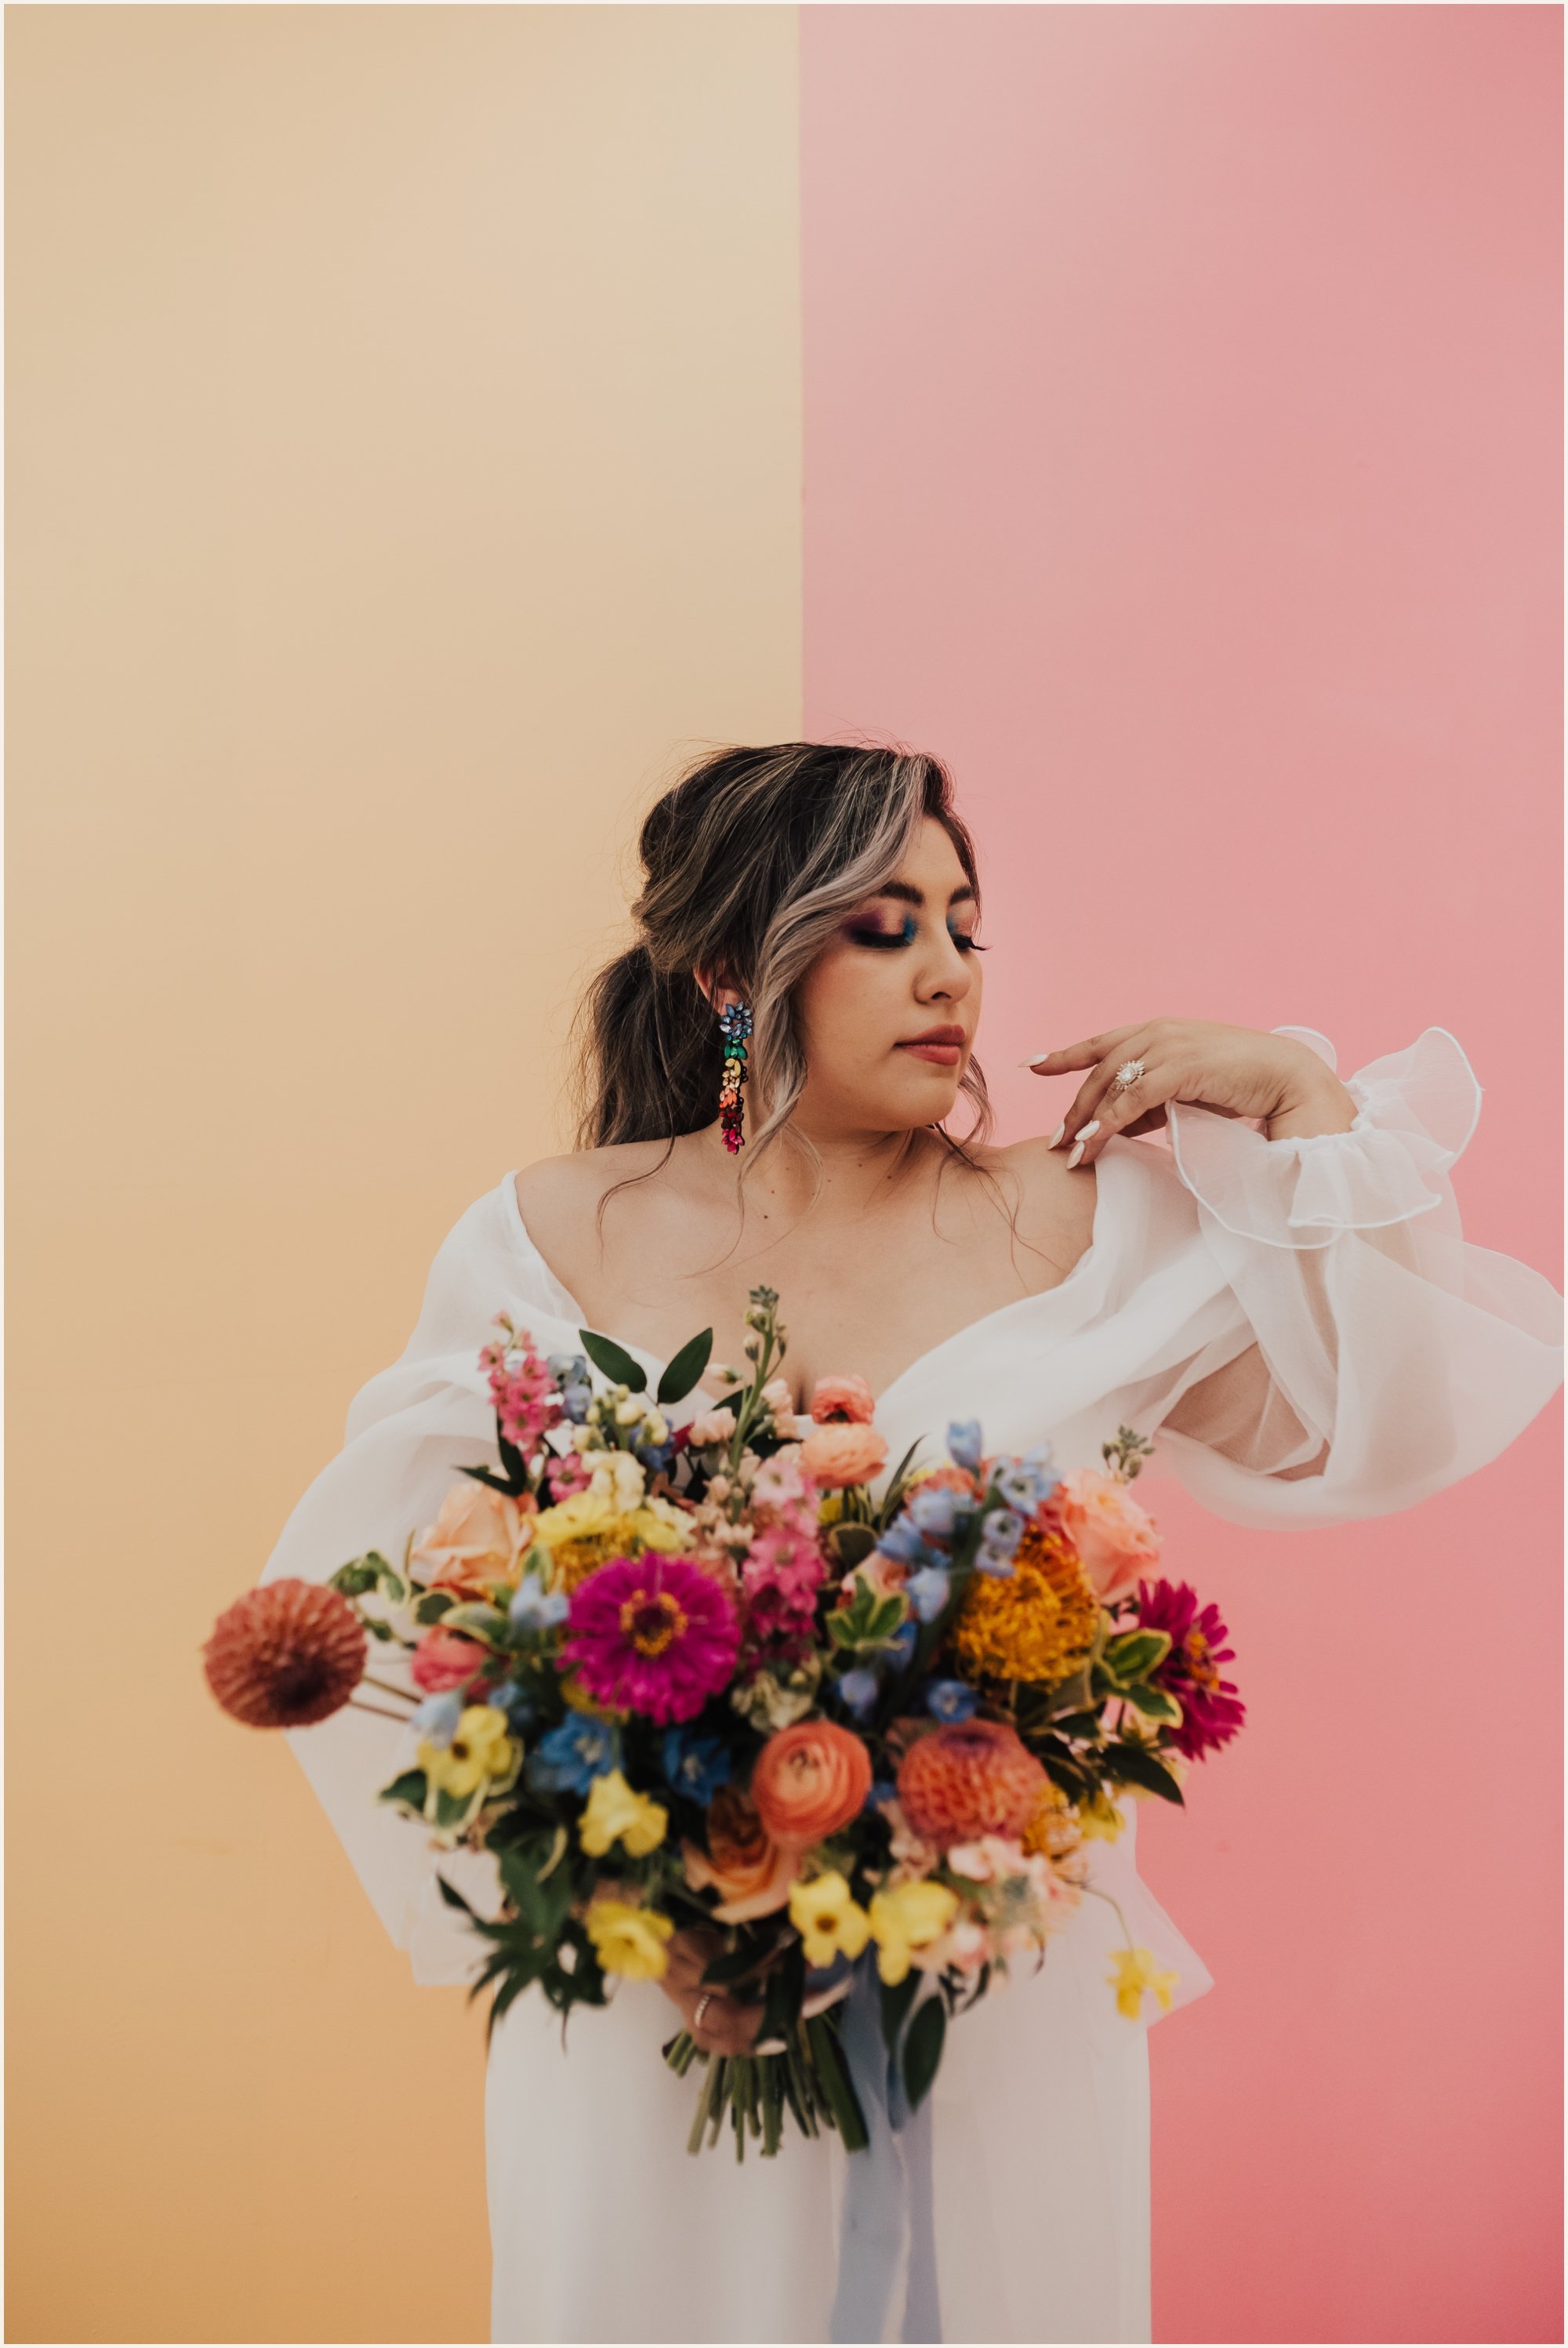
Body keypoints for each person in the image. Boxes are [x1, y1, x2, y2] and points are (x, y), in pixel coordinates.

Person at [260, 742, 1563, 2345]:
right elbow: (413, 1621)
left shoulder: (1088, 1218)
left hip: (990, 1999)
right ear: (732, 966)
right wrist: (651, 1898)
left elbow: (1382, 1414)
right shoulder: (549, 1233)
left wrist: (1302, 1113)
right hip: (651, 2003)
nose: (950, 969)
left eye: (964, 918)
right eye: (885, 923)